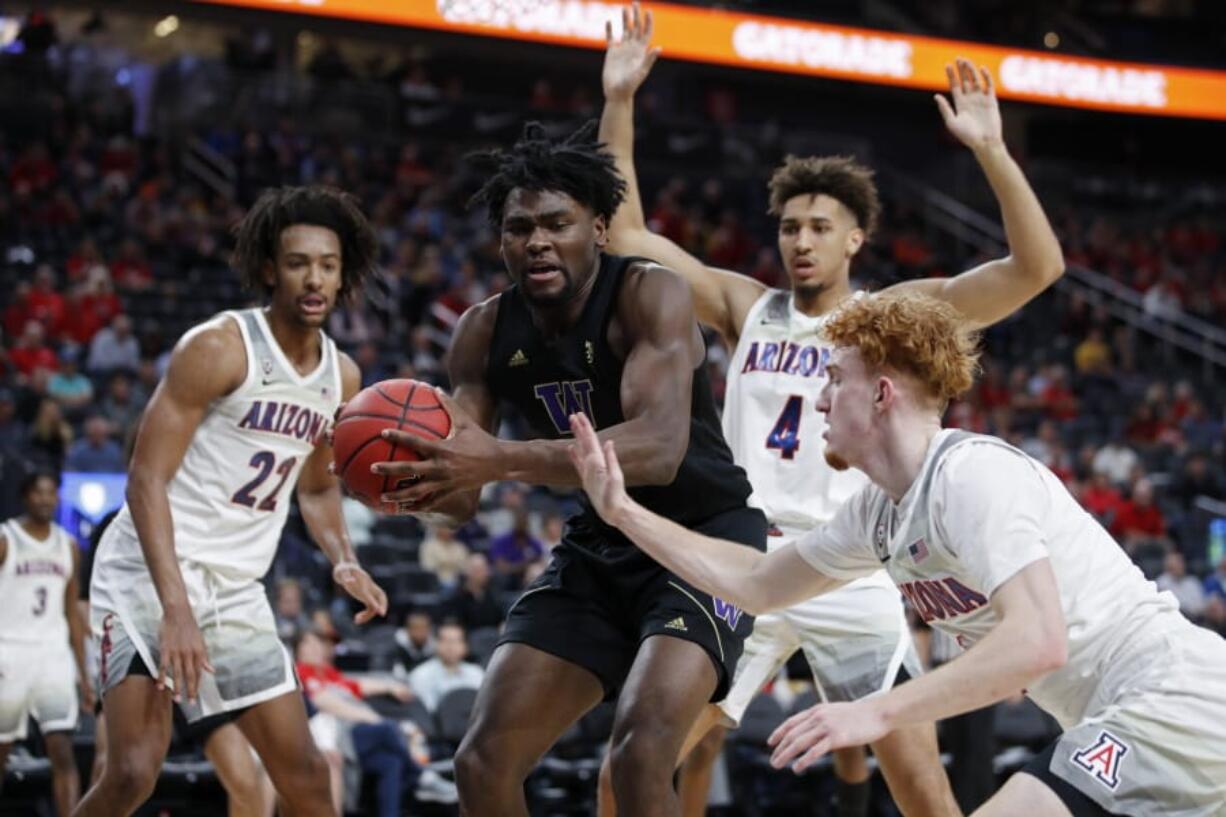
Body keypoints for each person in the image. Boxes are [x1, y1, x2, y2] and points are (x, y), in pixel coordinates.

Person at [596, 9, 1065, 816]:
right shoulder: (746, 306)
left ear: (856, 240)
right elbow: (627, 233)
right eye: (788, 226)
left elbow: (1036, 268)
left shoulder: (891, 318)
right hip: (740, 559)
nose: (800, 240)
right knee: (632, 765)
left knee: (921, 782)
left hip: (843, 561)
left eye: (820, 227)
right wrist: (619, 100)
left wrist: (990, 148)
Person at [570, 291, 1226, 817]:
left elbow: (1038, 640)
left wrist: (873, 709)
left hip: (1168, 693)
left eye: (834, 380)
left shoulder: (968, 475)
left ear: (882, 393)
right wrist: (625, 511)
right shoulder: (879, 510)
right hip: (1120, 713)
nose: (819, 398)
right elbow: (760, 582)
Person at [372, 121, 765, 817]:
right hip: (602, 546)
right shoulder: (484, 330)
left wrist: (496, 461)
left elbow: (656, 446)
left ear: (601, 229)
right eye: (519, 227)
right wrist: (408, 478)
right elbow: (460, 494)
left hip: (706, 540)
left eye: (558, 223)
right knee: (482, 761)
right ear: (501, 242)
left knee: (641, 752)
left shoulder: (651, 294)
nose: (538, 241)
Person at [78, 186, 389, 817]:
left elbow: (319, 485)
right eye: (299, 262)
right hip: (145, 573)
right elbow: (144, 480)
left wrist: (343, 558)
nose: (315, 278)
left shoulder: (343, 376)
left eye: (328, 265)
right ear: (270, 269)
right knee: (133, 770)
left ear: (343, 273)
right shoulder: (218, 346)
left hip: (234, 587)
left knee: (303, 774)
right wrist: (176, 610)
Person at [0, 472, 91, 817]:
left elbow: (71, 612)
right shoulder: (6, 538)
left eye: (51, 493)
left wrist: (85, 674)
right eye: (38, 493)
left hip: (53, 656)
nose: (45, 499)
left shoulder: (68, 545)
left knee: (63, 751)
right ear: (25, 497)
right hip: (9, 653)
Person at [406, 621, 485, 712]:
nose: (450, 647)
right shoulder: (420, 675)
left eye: (456, 641)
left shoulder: (477, 673)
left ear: (466, 646)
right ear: (435, 644)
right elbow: (424, 713)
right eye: (445, 640)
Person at [393, 609, 436, 675]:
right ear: (407, 629)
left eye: (423, 628)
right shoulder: (396, 646)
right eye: (415, 628)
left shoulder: (436, 647)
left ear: (429, 629)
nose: (419, 632)